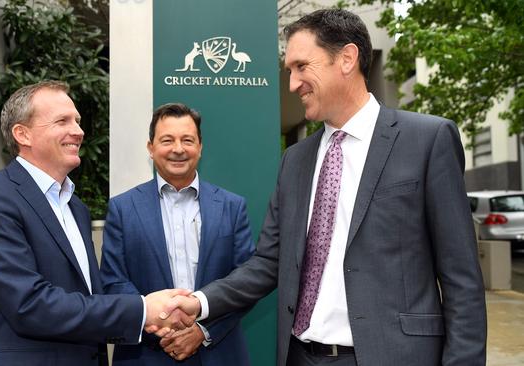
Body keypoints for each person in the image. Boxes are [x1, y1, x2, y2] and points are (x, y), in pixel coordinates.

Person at [168, 8, 487, 366]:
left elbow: (462, 280)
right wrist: (200, 301)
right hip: (300, 356)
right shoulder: (295, 159)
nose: (292, 83)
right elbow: (269, 263)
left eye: (302, 67)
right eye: (289, 70)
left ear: (347, 59)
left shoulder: (427, 140)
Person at [0, 81, 193, 366]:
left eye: (78, 121)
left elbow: (88, 298)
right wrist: (142, 310)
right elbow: (29, 305)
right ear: (23, 134)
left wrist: (155, 314)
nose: (78, 131)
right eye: (62, 121)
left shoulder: (75, 208)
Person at [100, 103, 255, 365]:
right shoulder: (123, 208)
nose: (178, 149)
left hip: (219, 352)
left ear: (200, 146)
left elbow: (246, 282)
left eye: (187, 140)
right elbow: (113, 281)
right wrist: (160, 327)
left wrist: (202, 332)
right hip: (147, 354)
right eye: (167, 140)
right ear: (151, 148)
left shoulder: (232, 206)